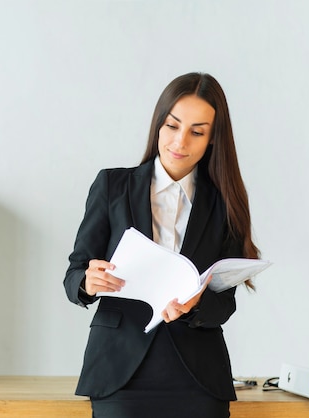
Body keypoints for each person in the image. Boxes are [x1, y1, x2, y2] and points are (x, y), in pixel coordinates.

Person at [63, 72, 260, 418]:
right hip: (119, 371)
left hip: (197, 377)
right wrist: (86, 281)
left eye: (197, 132)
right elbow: (74, 272)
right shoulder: (112, 186)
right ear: (159, 124)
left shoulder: (224, 203)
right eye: (172, 126)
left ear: (213, 139)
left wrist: (196, 305)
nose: (180, 141)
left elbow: (224, 303)